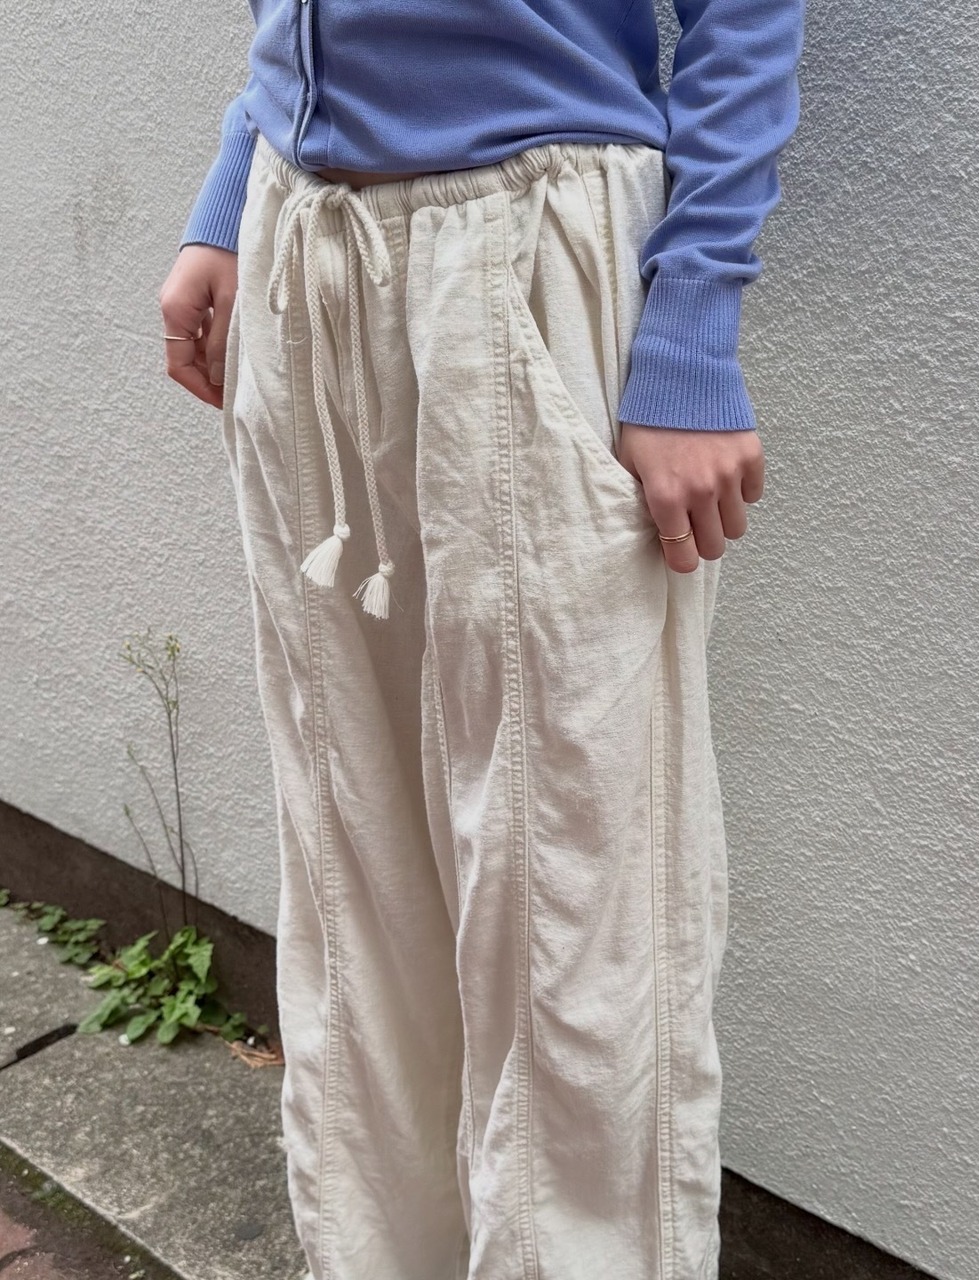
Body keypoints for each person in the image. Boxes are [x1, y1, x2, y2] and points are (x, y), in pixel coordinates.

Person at [159, 2, 804, 1276]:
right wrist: (238, 178)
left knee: (566, 887)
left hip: (525, 248)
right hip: (304, 247)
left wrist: (690, 319)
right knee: (350, 851)